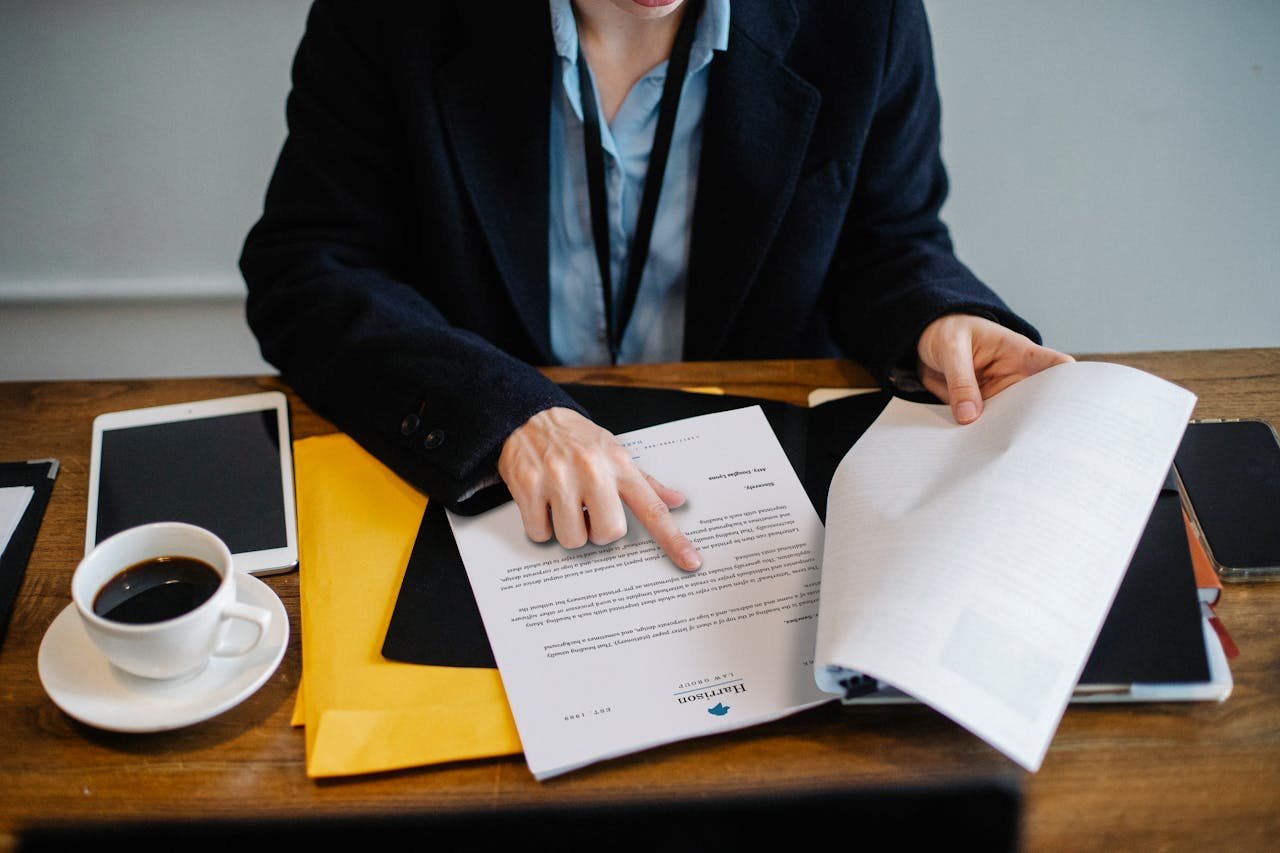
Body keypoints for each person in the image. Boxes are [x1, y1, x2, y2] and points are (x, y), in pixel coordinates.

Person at [240, 0, 1071, 573]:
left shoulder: (866, 16)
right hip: (491, 481)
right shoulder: (386, 16)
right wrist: (502, 410)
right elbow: (308, 266)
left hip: (760, 490)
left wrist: (939, 315)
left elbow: (889, 238)